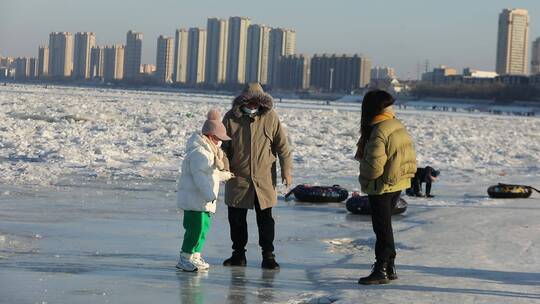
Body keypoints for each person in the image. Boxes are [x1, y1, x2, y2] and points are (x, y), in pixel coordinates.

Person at [221, 83, 292, 270]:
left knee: (265, 220)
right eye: (249, 102)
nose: (252, 106)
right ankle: (238, 254)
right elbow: (223, 149)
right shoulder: (230, 119)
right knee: (236, 219)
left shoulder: (270, 117)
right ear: (243, 101)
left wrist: (287, 170)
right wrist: (225, 169)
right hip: (238, 178)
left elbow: (283, 147)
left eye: (256, 102)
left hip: (264, 179)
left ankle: (268, 255)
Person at [355, 90, 417, 285]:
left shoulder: (379, 129)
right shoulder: (396, 124)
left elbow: (374, 166)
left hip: (382, 185)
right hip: (397, 182)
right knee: (385, 226)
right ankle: (389, 266)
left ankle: (381, 267)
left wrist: (363, 175)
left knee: (381, 228)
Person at [176, 109, 234, 272]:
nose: (220, 143)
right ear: (210, 136)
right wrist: (210, 194)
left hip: (204, 202)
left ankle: (195, 255)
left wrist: (225, 175)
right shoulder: (200, 153)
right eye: (218, 139)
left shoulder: (209, 152)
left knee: (202, 230)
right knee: (194, 230)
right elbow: (200, 177)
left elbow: (211, 174)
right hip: (196, 201)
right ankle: (185, 257)